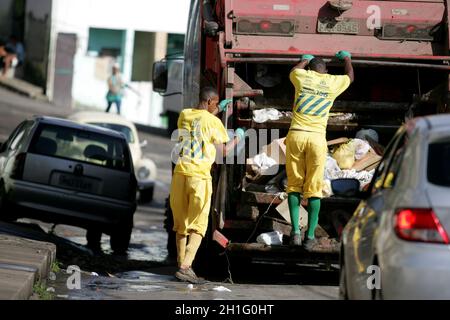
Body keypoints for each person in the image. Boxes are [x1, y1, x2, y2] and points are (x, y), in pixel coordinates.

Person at [169, 87, 245, 284]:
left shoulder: (184, 115)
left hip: (180, 175)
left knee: (181, 224)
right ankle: (186, 267)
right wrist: (238, 137)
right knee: (199, 225)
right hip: (199, 178)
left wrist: (217, 108)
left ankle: (181, 264)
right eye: (216, 102)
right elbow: (224, 152)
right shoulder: (214, 122)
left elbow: (199, 122)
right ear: (210, 102)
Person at [286, 51, 354, 250]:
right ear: (326, 71)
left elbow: (293, 71)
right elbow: (350, 77)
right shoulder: (332, 82)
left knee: (294, 186)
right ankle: (310, 237)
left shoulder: (302, 76)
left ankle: (296, 233)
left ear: (310, 69)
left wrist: (304, 60)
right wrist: (347, 59)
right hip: (317, 139)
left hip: (296, 135)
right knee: (314, 188)